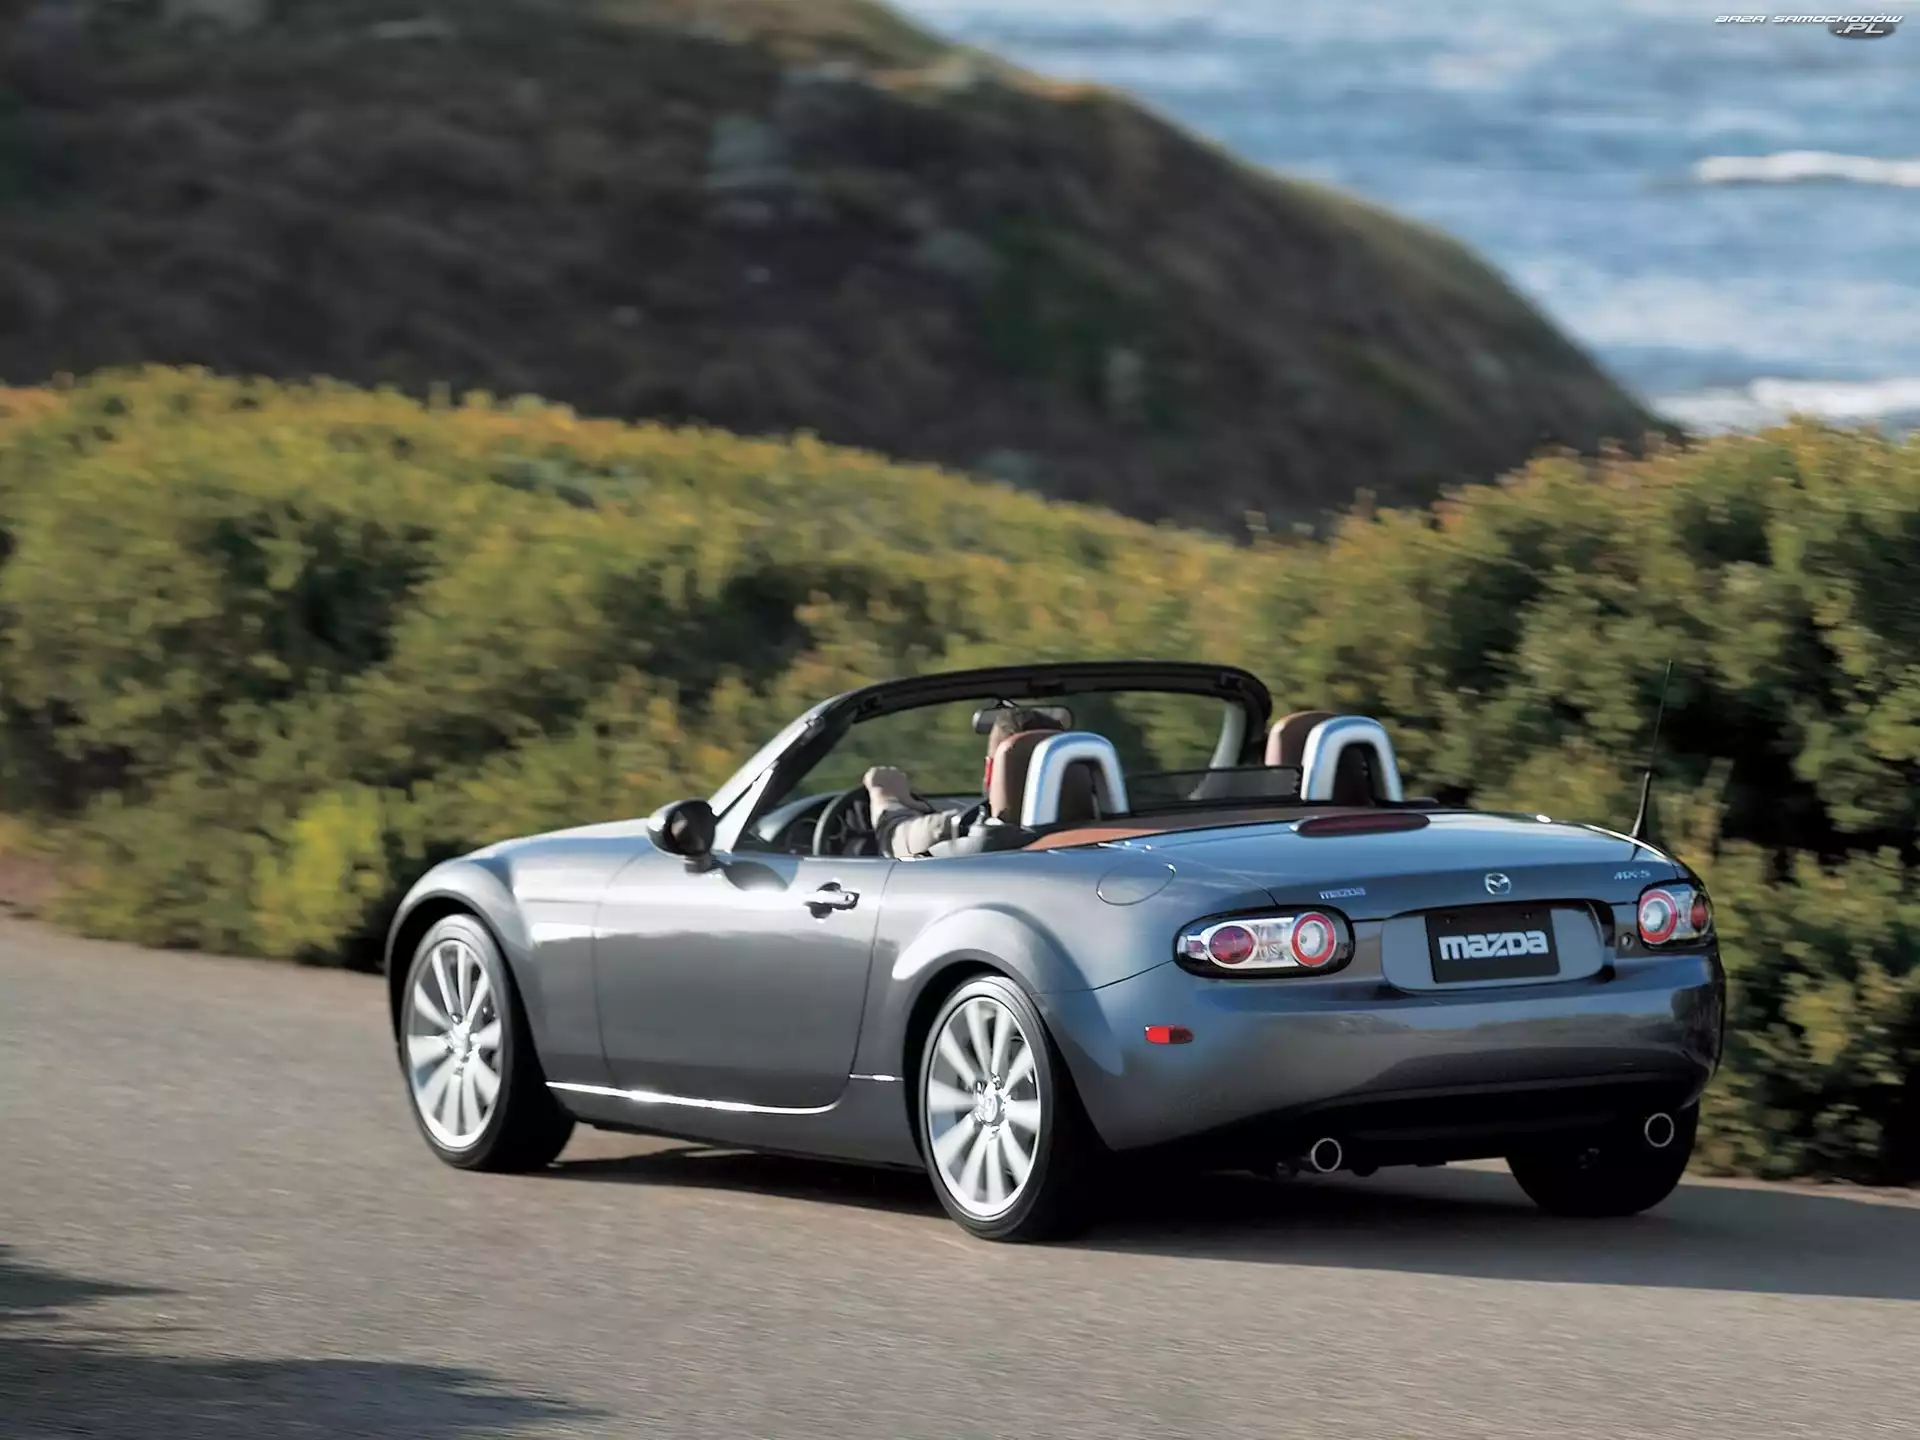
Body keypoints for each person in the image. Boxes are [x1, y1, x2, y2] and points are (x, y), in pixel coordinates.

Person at [862, 706, 1065, 860]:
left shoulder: (954, 832)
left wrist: (884, 796)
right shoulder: (1082, 839)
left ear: (990, 771)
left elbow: (895, 840)